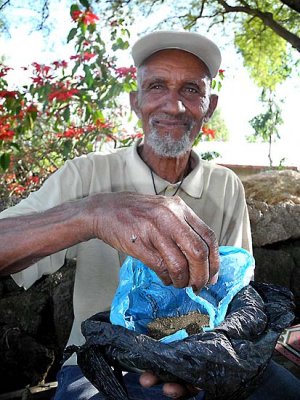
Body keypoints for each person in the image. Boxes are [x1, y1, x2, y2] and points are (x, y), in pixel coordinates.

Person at [0, 30, 299, 400]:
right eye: (157, 86)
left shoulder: (226, 185)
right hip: (102, 366)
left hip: (205, 362)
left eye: (191, 90)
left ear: (210, 105)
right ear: (135, 101)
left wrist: (212, 354)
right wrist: (92, 213)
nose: (173, 106)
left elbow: (236, 291)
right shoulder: (85, 176)